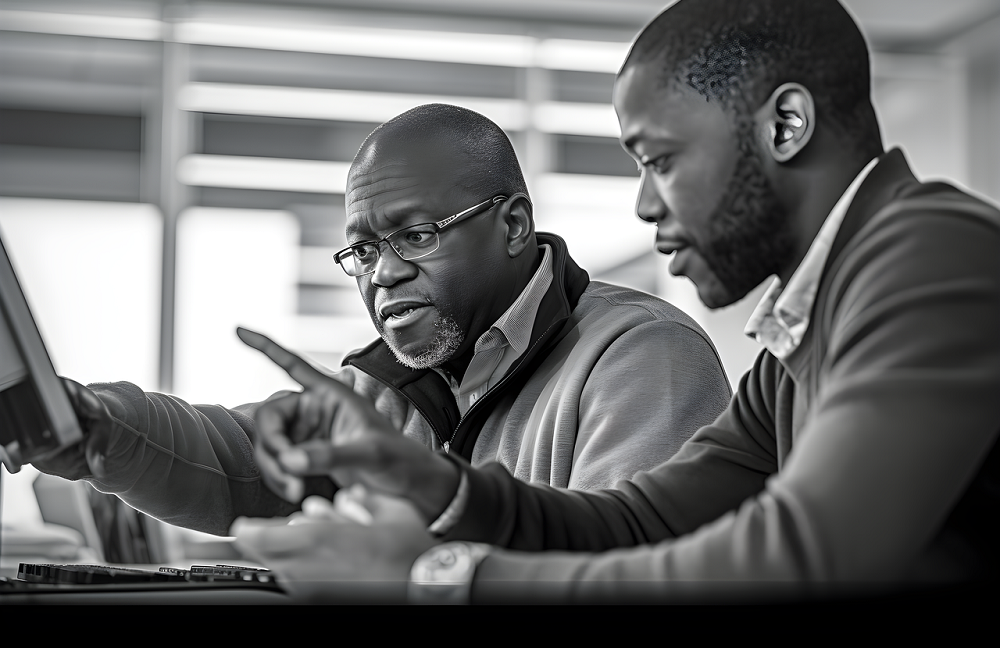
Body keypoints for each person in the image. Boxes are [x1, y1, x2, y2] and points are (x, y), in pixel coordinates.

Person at [229, 0, 1000, 603]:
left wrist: (437, 578)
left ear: (786, 124)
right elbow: (644, 522)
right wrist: (434, 483)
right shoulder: (800, 343)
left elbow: (808, 553)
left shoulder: (933, 252)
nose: (645, 205)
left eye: (659, 159)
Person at [3, 104, 731, 537]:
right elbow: (234, 463)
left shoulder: (641, 357)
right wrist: (98, 428)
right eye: (362, 249)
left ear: (513, 227)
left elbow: (623, 569)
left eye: (416, 236)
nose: (383, 273)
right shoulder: (386, 386)